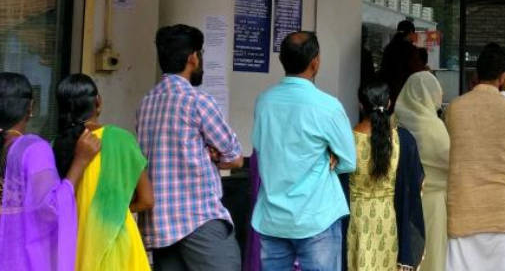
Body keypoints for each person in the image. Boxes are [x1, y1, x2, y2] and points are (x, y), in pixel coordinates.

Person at [137, 24, 244, 271]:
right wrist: (212, 154)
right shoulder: (197, 101)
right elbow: (235, 156)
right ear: (192, 58)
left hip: (159, 227)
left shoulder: (146, 103)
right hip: (198, 219)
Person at [252, 32, 358, 270]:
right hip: (316, 217)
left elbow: (260, 148)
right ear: (315, 62)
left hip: (273, 218)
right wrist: (329, 156)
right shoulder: (328, 107)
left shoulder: (264, 102)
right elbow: (349, 161)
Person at [0, 72, 100, 271]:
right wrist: (80, 161)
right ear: (30, 108)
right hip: (23, 262)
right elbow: (51, 208)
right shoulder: (33, 149)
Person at [53, 74, 153, 270]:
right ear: (98, 102)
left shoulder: (54, 146)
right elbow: (147, 200)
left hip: (70, 251)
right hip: (118, 250)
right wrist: (115, 208)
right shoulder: (122, 140)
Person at [444, 43, 505, 271]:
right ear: (503, 76)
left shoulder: (454, 108)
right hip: (503, 211)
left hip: (463, 209)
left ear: (476, 74)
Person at [348, 81, 424, 270]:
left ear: (360, 105)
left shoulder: (346, 140)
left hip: (355, 221)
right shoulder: (403, 141)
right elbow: (414, 187)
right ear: (389, 103)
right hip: (388, 223)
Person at [394, 71, 450, 271]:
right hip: (432, 204)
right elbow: (449, 162)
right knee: (431, 257)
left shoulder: (393, 123)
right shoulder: (436, 128)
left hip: (401, 203)